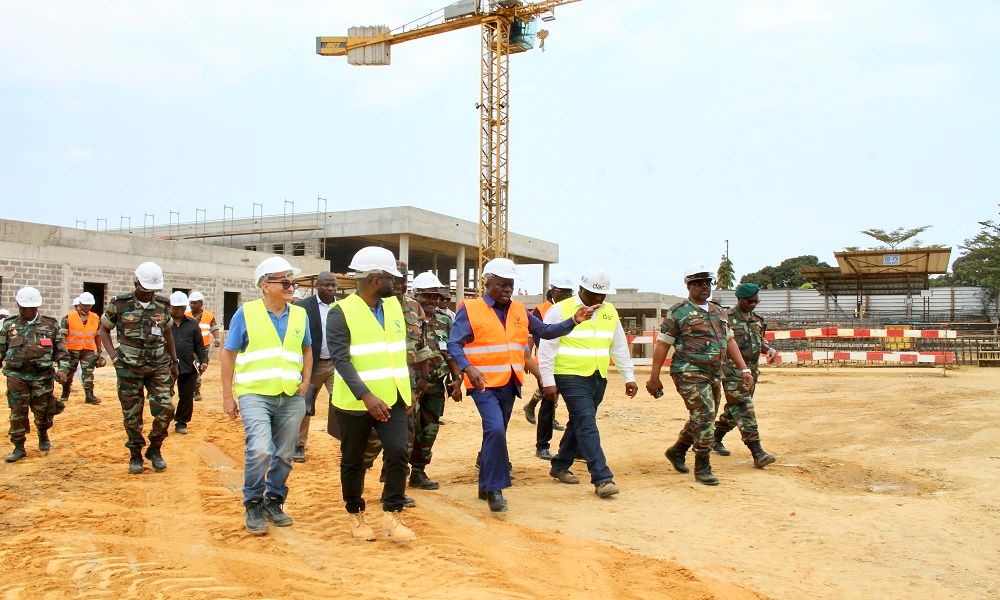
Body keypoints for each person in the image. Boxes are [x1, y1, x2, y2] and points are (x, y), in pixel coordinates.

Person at [448, 258, 598, 513]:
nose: (508, 290)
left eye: (511, 285)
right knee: (495, 430)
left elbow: (546, 331)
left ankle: (485, 485)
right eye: (502, 284)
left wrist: (574, 320)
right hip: (482, 383)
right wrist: (468, 368)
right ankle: (495, 488)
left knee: (494, 433)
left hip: (509, 383)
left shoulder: (519, 310)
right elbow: (454, 344)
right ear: (488, 283)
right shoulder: (470, 309)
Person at [326, 246, 416, 542]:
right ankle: (356, 513)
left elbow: (397, 352)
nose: (397, 283)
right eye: (392, 278)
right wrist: (366, 396)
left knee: (398, 452)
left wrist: (408, 390)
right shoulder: (340, 312)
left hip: (393, 397)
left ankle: (392, 515)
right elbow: (341, 360)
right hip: (355, 402)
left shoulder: (394, 307)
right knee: (353, 460)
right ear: (376, 279)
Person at [221, 256, 311, 536]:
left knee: (284, 455)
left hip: (291, 395)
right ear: (265, 285)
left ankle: (274, 500)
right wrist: (227, 395)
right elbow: (229, 353)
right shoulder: (245, 314)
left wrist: (306, 380)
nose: (290, 286)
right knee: (260, 450)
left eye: (291, 281)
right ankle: (253, 502)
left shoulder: (299, 314)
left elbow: (307, 349)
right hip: (255, 394)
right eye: (284, 281)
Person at [645, 265, 754, 486]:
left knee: (704, 416)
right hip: (688, 372)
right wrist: (654, 377)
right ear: (688, 286)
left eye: (707, 282)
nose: (704, 286)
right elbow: (663, 345)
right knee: (704, 414)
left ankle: (678, 450)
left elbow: (730, 341)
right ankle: (702, 465)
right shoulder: (678, 312)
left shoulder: (718, 311)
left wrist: (744, 369)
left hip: (715, 372)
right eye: (698, 283)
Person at [538, 269, 637, 497]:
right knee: (587, 423)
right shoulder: (560, 310)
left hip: (598, 376)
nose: (598, 299)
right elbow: (546, 349)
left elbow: (618, 345)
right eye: (593, 294)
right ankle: (602, 478)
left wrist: (628, 375)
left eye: (602, 295)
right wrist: (548, 381)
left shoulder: (609, 311)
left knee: (579, 422)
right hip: (569, 375)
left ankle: (560, 465)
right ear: (581, 289)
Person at [358, 260, 428, 509]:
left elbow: (421, 345)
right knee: (371, 439)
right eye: (395, 278)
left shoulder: (413, 306)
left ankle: (393, 488)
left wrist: (424, 377)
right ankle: (357, 476)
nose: (400, 282)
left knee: (404, 440)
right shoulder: (370, 306)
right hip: (374, 383)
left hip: (406, 384)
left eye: (404, 277)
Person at [99, 262, 179, 475]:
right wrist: (114, 359)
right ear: (136, 283)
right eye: (144, 289)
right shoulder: (119, 304)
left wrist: (174, 361)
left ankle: (154, 448)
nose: (148, 294)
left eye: (152, 290)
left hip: (158, 366)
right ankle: (135, 453)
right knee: (132, 415)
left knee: (166, 408)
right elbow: (103, 331)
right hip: (129, 368)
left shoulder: (163, 305)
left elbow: (168, 333)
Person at [408, 272, 463, 490]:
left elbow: (451, 353)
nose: (431, 300)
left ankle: (418, 472)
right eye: (426, 296)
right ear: (416, 295)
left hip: (436, 386)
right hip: (410, 386)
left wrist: (457, 379)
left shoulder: (445, 321)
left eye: (435, 296)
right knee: (407, 430)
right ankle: (394, 474)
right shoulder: (407, 319)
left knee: (429, 430)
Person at [712, 282, 777, 468]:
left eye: (756, 301)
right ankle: (757, 452)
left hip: (752, 371)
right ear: (739, 299)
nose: (753, 304)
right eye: (750, 301)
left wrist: (769, 349)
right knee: (744, 407)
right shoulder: (727, 318)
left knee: (734, 412)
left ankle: (714, 438)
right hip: (732, 371)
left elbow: (759, 341)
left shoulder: (757, 319)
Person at [1, 287, 69, 462]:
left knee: (43, 411)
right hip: (16, 376)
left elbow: (62, 353)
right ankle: (18, 446)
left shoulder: (50, 325)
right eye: (24, 308)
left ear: (38, 307)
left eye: (32, 308)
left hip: (43, 377)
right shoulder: (9, 326)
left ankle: (43, 432)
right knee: (17, 412)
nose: (28, 312)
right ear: (18, 305)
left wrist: (62, 370)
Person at [523, 273, 576, 458]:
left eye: (570, 292)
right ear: (553, 291)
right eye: (563, 292)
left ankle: (571, 447)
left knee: (575, 408)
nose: (567, 296)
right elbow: (531, 334)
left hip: (570, 364)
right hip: (547, 363)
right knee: (548, 403)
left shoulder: (575, 309)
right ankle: (542, 446)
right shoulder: (541, 309)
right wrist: (527, 357)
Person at [292, 271, 339, 462]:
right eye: (326, 285)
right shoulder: (302, 307)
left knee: (344, 405)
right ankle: (298, 445)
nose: (330, 288)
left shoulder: (343, 306)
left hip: (338, 365)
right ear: (317, 286)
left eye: (333, 285)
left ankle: (348, 444)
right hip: (313, 365)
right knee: (305, 405)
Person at [169, 291, 207, 435]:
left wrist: (203, 360)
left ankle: (181, 422)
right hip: (166, 367)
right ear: (170, 307)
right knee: (164, 396)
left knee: (186, 396)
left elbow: (199, 345)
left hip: (187, 365)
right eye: (176, 307)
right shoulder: (163, 324)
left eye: (182, 307)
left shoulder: (192, 324)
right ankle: (164, 419)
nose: (179, 310)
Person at [60, 292, 105, 405]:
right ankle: (65, 393)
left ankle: (89, 396)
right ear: (79, 304)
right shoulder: (68, 317)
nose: (87, 307)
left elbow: (98, 335)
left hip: (88, 349)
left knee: (88, 372)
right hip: (72, 349)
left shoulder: (95, 318)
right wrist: (62, 350)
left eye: (89, 305)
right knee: (69, 373)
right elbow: (63, 336)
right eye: (85, 305)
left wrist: (99, 350)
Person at [186, 291, 221, 402]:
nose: (192, 305)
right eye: (191, 303)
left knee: (202, 366)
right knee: (195, 366)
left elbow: (214, 328)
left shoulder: (209, 315)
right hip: (190, 347)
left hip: (204, 347)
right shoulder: (186, 315)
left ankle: (192, 385)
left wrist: (217, 339)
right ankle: (196, 391)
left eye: (195, 303)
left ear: (201, 303)